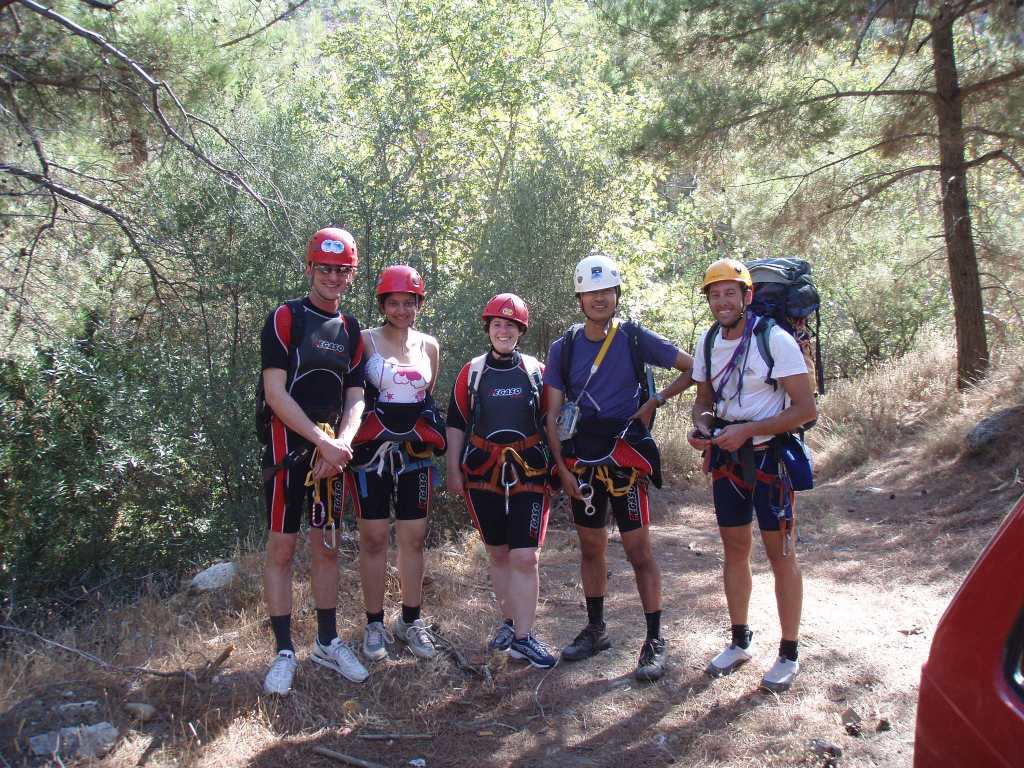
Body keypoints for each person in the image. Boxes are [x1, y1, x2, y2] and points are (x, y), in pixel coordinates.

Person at [544, 253, 694, 681]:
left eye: (606, 291)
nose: (599, 299)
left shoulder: (633, 338)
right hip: (583, 461)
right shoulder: (564, 348)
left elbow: (692, 368)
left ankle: (654, 639)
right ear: (580, 299)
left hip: (624, 459)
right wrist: (562, 470)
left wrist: (656, 400)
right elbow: (552, 414)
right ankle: (596, 630)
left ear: (617, 294)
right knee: (591, 548)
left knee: (638, 552)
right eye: (591, 293)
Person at [687, 258, 816, 693]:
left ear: (747, 296)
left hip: (769, 462)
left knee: (781, 556)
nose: (722, 301)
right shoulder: (709, 341)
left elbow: (805, 409)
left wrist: (748, 430)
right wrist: (702, 427)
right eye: (715, 294)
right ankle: (740, 640)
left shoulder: (774, 340)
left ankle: (789, 651)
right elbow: (704, 401)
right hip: (727, 461)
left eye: (730, 293)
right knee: (735, 550)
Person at [260, 226, 369, 695]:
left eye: (342, 270)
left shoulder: (351, 330)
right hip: (287, 450)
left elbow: (356, 396)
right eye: (325, 268)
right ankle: (284, 651)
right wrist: (322, 442)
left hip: (332, 456)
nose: (333, 277)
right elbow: (275, 392)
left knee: (327, 547)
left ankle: (327, 641)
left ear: (351, 275)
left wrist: (341, 444)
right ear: (309, 268)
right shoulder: (286, 318)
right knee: (282, 549)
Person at [446, 294, 558, 669]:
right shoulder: (473, 372)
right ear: (488, 328)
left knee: (524, 556)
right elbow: (456, 422)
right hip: (482, 472)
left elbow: (552, 421)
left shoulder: (536, 371)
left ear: (521, 330)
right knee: (497, 553)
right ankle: (509, 624)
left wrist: (562, 467)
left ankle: (524, 639)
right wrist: (452, 469)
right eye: (497, 324)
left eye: (511, 325)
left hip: (531, 470)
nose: (503, 330)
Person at [345, 265, 445, 663]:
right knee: (373, 539)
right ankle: (374, 623)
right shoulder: (364, 340)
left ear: (419, 304)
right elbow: (353, 393)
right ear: (382, 304)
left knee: (414, 539)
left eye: (409, 302)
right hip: (371, 456)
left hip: (414, 455)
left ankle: (410, 620)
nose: (402, 310)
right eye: (394, 302)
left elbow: (425, 394)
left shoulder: (429, 346)